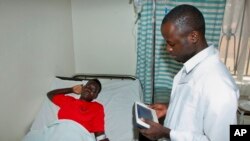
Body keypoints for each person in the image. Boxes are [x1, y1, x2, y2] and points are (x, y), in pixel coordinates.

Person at [139, 4, 239, 141]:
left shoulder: (218, 84)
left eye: (172, 44)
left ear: (193, 37)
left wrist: (167, 133)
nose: (168, 49)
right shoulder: (192, 66)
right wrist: (171, 108)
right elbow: (197, 109)